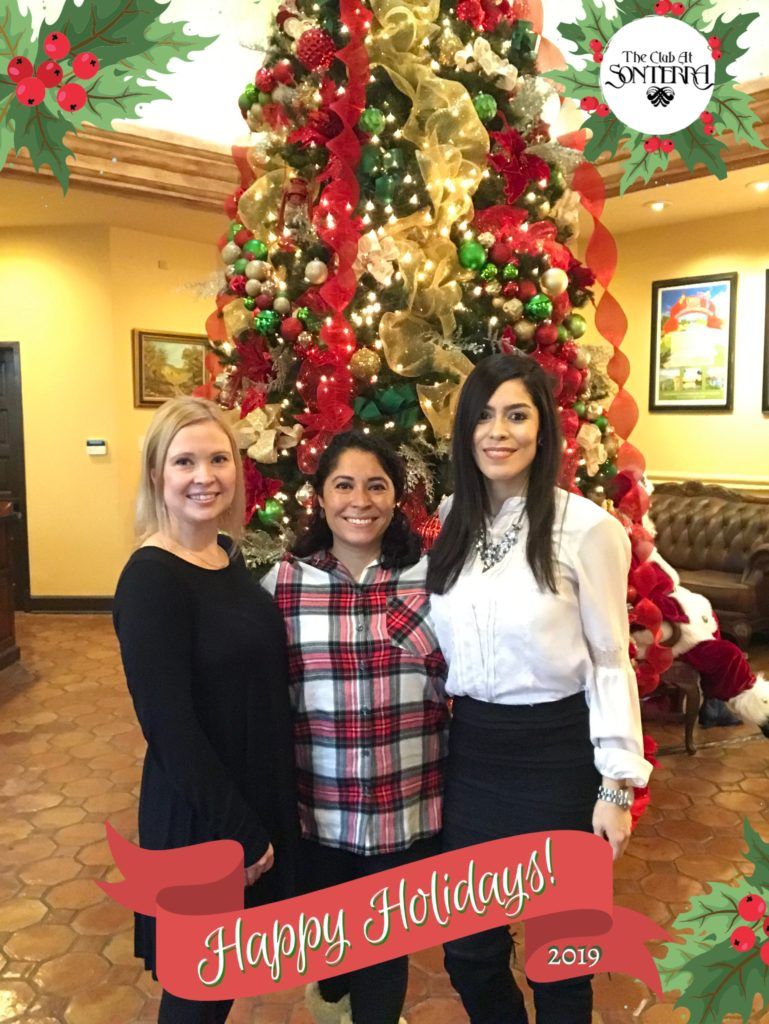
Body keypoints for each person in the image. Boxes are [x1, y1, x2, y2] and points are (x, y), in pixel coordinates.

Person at [426, 353, 652, 1024]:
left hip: (555, 758)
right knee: (468, 951)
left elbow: (612, 660)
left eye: (517, 414)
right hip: (472, 756)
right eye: (485, 416)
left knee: (560, 958)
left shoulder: (587, 529)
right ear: (464, 431)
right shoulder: (451, 520)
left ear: (542, 427)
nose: (499, 431)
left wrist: (616, 785)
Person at [113, 396, 298, 1024]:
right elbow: (169, 729)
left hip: (249, 797)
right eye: (184, 461)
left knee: (220, 982)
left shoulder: (227, 558)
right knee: (197, 994)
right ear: (157, 476)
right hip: (202, 819)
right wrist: (237, 832)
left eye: (218, 459)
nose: (203, 476)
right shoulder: (151, 579)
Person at [263, 430, 449, 1024]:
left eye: (377, 485)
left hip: (406, 812)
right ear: (319, 496)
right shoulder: (283, 586)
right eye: (343, 484)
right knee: (332, 958)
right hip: (318, 814)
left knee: (385, 953)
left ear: (397, 498)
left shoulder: (432, 582)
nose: (359, 500)